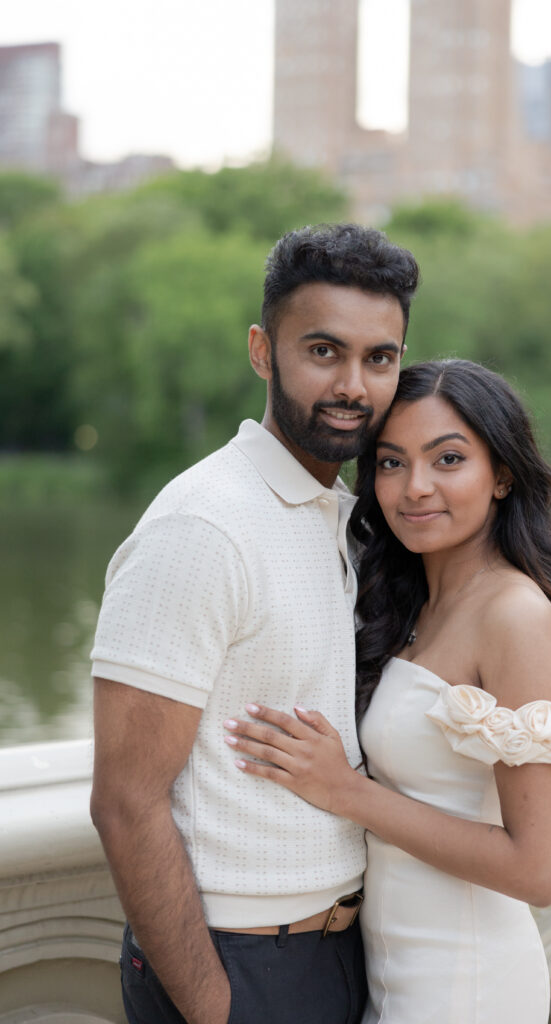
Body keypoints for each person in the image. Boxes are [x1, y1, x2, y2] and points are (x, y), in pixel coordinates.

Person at [89, 223, 419, 1024]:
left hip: (343, 949)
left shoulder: (345, 517)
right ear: (262, 351)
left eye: (379, 358)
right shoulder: (203, 527)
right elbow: (126, 799)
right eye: (322, 351)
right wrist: (213, 1007)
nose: (353, 384)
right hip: (236, 961)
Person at [224, 358, 551, 1024]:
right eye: (391, 463)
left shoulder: (513, 615)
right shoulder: (412, 604)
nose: (414, 489)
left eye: (448, 459)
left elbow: (537, 870)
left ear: (502, 476)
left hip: (465, 980)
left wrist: (345, 791)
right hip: (393, 969)